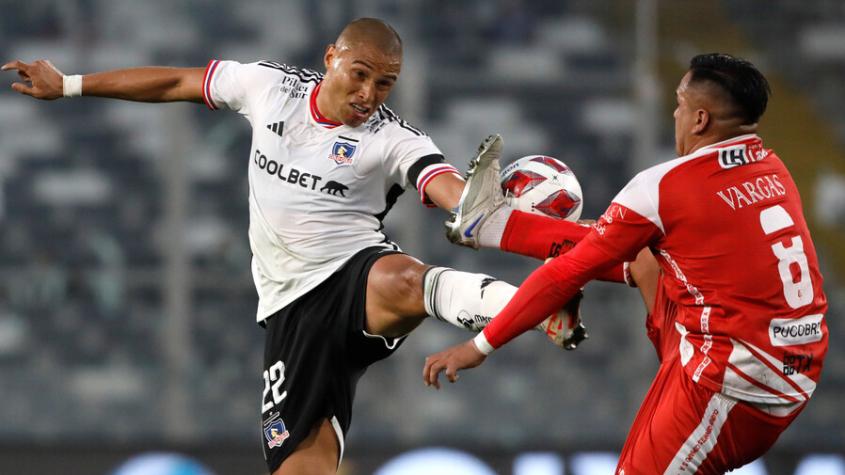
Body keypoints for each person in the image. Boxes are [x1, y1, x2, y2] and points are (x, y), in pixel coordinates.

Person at [2, 17, 588, 475]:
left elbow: (437, 181)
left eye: (384, 83)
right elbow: (179, 81)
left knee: (405, 280)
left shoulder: (391, 139)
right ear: (330, 57)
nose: (368, 92)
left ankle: (541, 308)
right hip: (289, 309)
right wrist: (71, 85)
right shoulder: (269, 88)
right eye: (359, 73)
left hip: (353, 274)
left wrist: (468, 201)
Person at [425, 53, 829, 474]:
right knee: (637, 248)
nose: (674, 112)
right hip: (791, 363)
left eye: (680, 103)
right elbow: (621, 249)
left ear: (700, 120)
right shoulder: (773, 168)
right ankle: (492, 225)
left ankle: (495, 227)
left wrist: (478, 346)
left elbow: (565, 272)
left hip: (735, 384)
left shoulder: (664, 187)